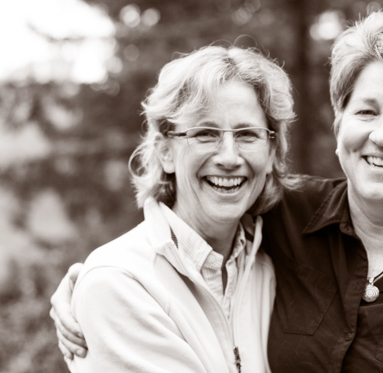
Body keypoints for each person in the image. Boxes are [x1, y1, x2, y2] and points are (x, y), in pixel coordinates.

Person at [51, 10, 383, 372]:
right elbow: (183, 226)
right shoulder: (285, 216)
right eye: (366, 111)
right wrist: (95, 279)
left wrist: (94, 279)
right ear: (338, 124)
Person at [51, 44, 298, 372]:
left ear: (271, 154)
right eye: (205, 133)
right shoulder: (119, 285)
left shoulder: (275, 268)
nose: (228, 157)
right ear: (165, 152)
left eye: (247, 135)